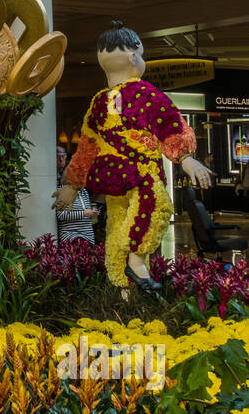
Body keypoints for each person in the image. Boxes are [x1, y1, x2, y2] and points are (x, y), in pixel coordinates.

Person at [54, 21, 210, 293]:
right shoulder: (147, 94)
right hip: (141, 173)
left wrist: (72, 184)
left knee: (117, 223)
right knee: (156, 211)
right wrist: (186, 159)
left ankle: (120, 288)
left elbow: (87, 146)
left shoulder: (99, 102)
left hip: (112, 176)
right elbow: (169, 125)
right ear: (133, 57)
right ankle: (135, 262)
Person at [55, 144, 98, 244]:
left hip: (88, 236)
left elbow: (86, 211)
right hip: (72, 236)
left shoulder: (84, 192)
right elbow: (61, 215)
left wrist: (92, 212)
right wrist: (84, 213)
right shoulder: (62, 190)